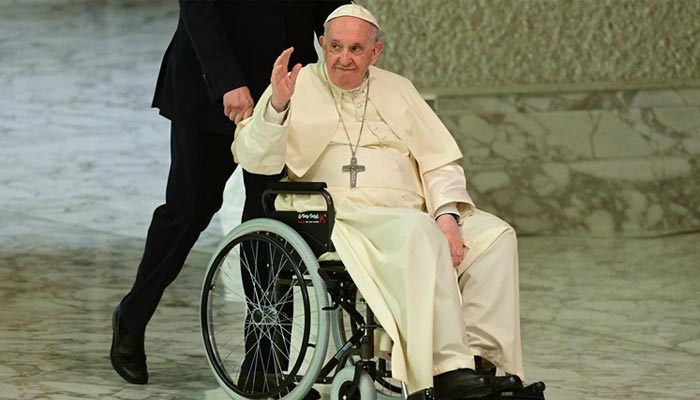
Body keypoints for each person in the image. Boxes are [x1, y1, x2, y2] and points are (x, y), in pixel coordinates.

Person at [232, 4, 525, 400]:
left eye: (356, 49)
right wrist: (277, 107)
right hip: (341, 216)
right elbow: (254, 158)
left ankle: (481, 362)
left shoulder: (398, 88)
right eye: (335, 46)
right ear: (321, 44)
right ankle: (445, 370)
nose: (344, 58)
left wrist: (447, 216)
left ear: (376, 52)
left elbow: (439, 161)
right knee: (418, 232)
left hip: (412, 212)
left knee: (494, 237)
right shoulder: (295, 86)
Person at [110, 0, 348, 386]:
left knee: (271, 224)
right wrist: (226, 80)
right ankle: (132, 317)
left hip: (284, 91)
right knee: (188, 213)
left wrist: (348, 43)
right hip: (212, 85)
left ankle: (264, 364)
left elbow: (333, 6)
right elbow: (199, 8)